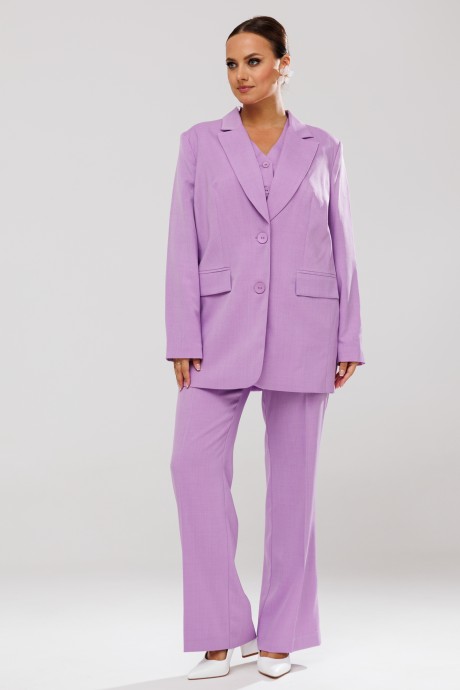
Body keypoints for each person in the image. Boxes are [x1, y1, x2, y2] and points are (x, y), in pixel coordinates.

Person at [164, 15, 365, 680]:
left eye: (253, 61)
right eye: (231, 63)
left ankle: (281, 634)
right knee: (191, 468)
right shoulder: (200, 143)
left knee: (293, 487)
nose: (240, 74)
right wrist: (182, 333)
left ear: (284, 63)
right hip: (218, 328)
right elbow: (182, 243)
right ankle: (221, 629)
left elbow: (343, 244)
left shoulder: (323, 146)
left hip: (306, 328)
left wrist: (349, 335)